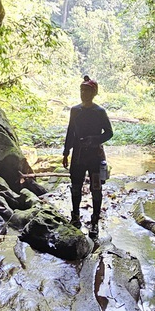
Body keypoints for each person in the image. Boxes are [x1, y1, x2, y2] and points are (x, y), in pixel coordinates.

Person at [61, 75, 113, 238]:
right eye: (82, 90)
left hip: (95, 155)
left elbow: (109, 133)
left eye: (87, 90)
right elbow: (71, 131)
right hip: (78, 155)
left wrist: (94, 140)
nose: (83, 93)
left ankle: (95, 221)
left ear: (94, 93)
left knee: (96, 188)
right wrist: (66, 152)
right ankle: (75, 217)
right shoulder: (75, 110)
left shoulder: (99, 112)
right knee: (76, 186)